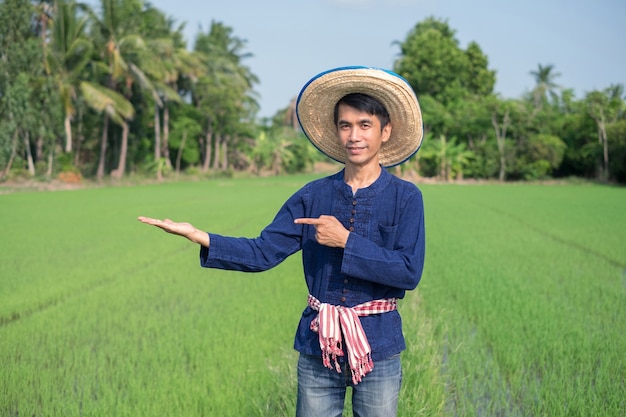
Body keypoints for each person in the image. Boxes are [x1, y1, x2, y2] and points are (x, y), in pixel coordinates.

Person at [138, 66, 425, 417]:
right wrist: (203, 237)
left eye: (364, 125)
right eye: (345, 125)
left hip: (378, 346)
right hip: (320, 346)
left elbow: (408, 272)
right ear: (337, 132)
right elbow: (263, 252)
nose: (354, 135)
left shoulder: (406, 198)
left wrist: (347, 241)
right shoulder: (312, 196)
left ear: (385, 130)